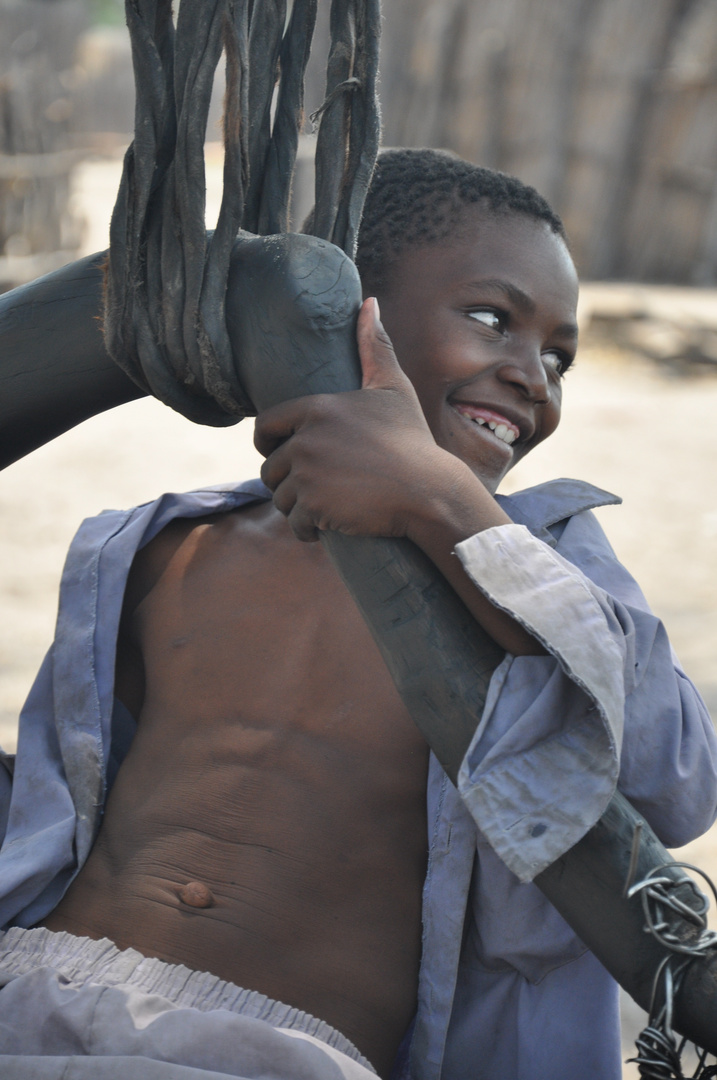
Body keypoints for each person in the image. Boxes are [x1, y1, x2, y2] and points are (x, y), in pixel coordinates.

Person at [0, 148, 715, 1080]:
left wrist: (439, 502)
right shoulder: (154, 547)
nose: (533, 378)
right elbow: (59, 797)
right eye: (493, 320)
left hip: (283, 1052)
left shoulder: (541, 559)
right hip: (33, 992)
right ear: (349, 313)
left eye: (557, 357)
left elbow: (674, 772)